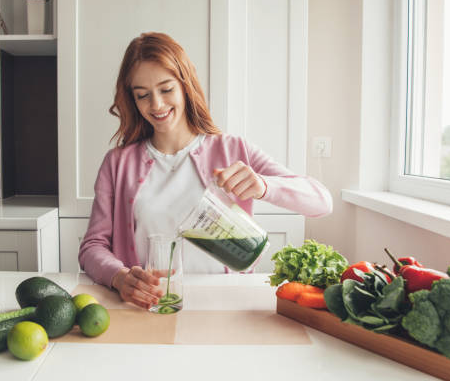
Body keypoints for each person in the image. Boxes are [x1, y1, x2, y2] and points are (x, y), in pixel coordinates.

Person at [78, 32, 332, 310]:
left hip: (226, 306)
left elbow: (321, 201)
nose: (157, 105)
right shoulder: (117, 164)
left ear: (185, 85)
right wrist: (119, 276)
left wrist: (263, 186)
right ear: (133, 99)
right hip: (152, 306)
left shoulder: (233, 150)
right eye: (143, 95)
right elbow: (92, 246)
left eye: (166, 89)